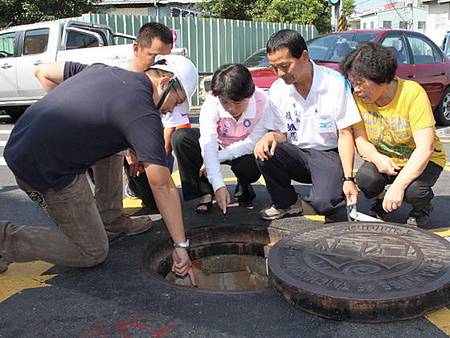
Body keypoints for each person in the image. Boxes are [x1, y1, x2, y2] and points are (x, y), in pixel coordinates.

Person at [0, 55, 198, 285]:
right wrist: (180, 245)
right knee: (92, 251)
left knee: (116, 145)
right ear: (165, 83)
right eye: (177, 101)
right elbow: (162, 185)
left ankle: (109, 218)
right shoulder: (143, 113)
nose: (170, 110)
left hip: (21, 141)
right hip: (45, 169)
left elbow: (47, 72)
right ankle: (5, 240)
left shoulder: (104, 70)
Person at [251, 29, 361, 221]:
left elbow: (345, 133)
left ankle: (329, 191)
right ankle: (287, 203)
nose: (279, 74)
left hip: (327, 154)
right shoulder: (278, 90)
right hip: (296, 152)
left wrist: (349, 178)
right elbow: (282, 134)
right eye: (274, 68)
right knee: (264, 151)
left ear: (304, 56)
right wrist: (270, 136)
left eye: (285, 66)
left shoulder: (334, 83)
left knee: (325, 204)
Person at [340, 42, 447, 227]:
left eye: (360, 83)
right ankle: (381, 198)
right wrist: (376, 157)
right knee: (366, 178)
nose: (356, 89)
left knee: (413, 191)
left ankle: (422, 207)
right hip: (387, 159)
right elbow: (360, 138)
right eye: (352, 83)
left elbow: (425, 148)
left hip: (423, 160)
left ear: (382, 77)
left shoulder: (411, 93)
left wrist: (398, 187)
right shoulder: (359, 99)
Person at [172, 64, 267, 214]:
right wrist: (218, 186)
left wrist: (216, 158)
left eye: (237, 103)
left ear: (250, 94)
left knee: (252, 161)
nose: (231, 109)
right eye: (225, 102)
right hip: (219, 144)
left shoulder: (264, 102)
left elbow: (253, 142)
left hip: (244, 149)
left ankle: (243, 183)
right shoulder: (212, 102)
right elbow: (208, 141)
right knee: (182, 138)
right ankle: (205, 192)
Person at [122, 22, 192, 209]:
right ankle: (112, 211)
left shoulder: (170, 85)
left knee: (155, 201)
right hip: (117, 146)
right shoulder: (119, 79)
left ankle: (144, 187)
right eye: (153, 56)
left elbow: (167, 135)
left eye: (163, 58)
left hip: (147, 146)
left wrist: (157, 173)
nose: (157, 63)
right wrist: (129, 152)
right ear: (136, 49)